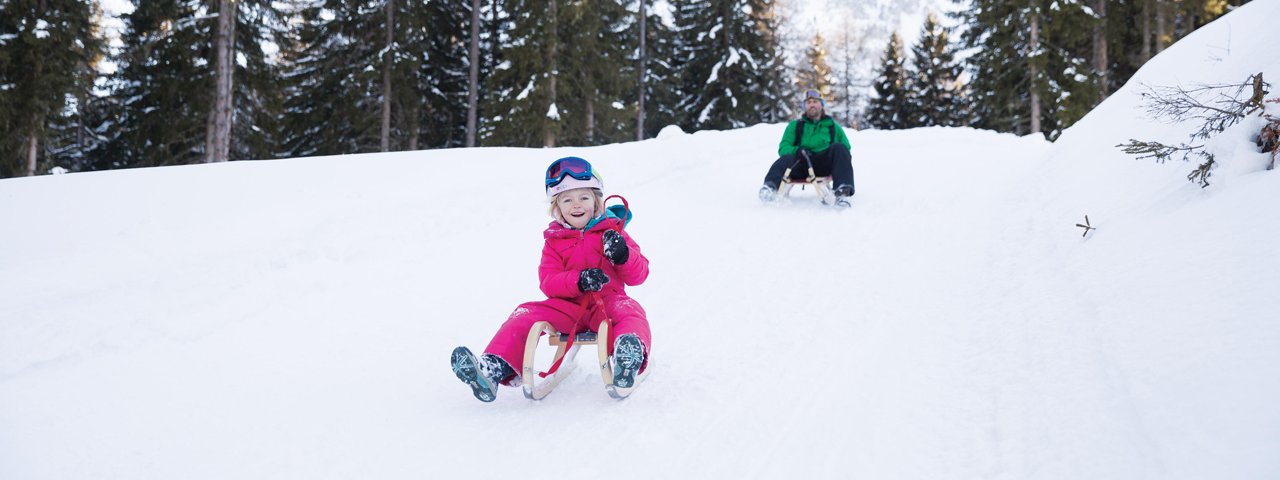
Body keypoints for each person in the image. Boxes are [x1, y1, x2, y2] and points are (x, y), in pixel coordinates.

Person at [450, 156, 651, 402]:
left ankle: (627, 357)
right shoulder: (555, 240)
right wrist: (578, 280)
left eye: (584, 198)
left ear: (597, 202)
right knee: (525, 312)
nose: (576, 205)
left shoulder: (613, 232)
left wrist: (622, 255)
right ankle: (492, 369)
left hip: (607, 303)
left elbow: (639, 275)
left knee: (630, 309)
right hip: (569, 307)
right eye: (567, 199)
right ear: (557, 208)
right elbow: (548, 281)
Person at [758, 89, 856, 204]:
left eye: (815, 101)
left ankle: (842, 192)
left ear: (821, 104)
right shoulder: (795, 126)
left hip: (824, 164)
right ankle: (769, 187)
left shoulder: (833, 126)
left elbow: (846, 149)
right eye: (808, 102)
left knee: (839, 148)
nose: (812, 105)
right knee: (786, 158)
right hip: (802, 164)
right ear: (805, 106)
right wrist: (797, 150)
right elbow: (783, 147)